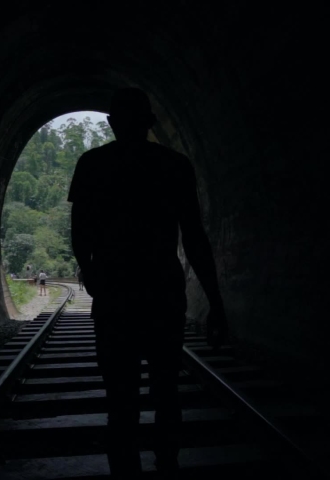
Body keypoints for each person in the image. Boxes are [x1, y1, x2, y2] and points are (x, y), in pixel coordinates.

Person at [68, 87, 228, 476]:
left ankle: (125, 469)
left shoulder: (92, 163)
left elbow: (80, 231)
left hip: (114, 296)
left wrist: (91, 274)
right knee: (167, 393)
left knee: (120, 401)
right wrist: (216, 303)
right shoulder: (175, 165)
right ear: (151, 123)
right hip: (163, 294)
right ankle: (167, 465)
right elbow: (194, 237)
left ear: (111, 123)